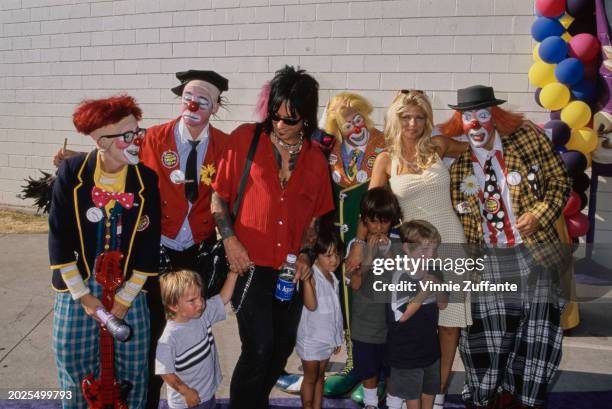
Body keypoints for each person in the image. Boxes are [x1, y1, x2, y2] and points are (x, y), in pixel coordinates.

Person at [54, 70, 231, 409]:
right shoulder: (153, 137)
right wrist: (74, 161)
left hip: (198, 250)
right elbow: (112, 155)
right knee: (148, 342)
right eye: (188, 97)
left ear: (216, 107)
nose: (192, 104)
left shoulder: (226, 145)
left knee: (193, 328)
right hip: (155, 249)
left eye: (202, 100)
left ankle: (193, 393)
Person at [211, 65, 334, 409]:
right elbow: (218, 196)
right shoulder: (244, 139)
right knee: (259, 346)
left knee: (281, 346)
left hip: (289, 270)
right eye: (275, 115)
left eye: (290, 120)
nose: (280, 124)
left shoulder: (315, 161)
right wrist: (229, 240)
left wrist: (308, 255)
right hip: (247, 264)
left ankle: (255, 401)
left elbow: (315, 218)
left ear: (306, 119)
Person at [440, 85, 571, 408]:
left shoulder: (527, 139)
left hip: (534, 251)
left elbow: (559, 181)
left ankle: (523, 397)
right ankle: (483, 397)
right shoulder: (457, 171)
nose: (475, 123)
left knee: (538, 334)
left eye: (483, 115)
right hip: (488, 260)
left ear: (496, 117)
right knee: (486, 336)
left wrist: (539, 215)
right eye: (468, 117)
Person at [346, 90, 470, 408]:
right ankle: (408, 391)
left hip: (452, 243)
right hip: (414, 252)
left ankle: (437, 396)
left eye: (419, 117)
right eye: (406, 117)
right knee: (412, 324)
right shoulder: (386, 160)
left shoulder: (438, 146)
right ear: (395, 119)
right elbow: (370, 209)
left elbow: (481, 149)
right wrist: (359, 246)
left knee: (449, 326)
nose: (413, 123)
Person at [48, 95, 161, 408]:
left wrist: (125, 299)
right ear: (100, 141)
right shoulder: (72, 173)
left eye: (138, 132)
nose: (138, 140)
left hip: (129, 287)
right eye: (128, 136)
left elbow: (149, 247)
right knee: (74, 365)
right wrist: (84, 297)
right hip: (77, 287)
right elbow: (58, 241)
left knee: (134, 369)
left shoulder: (145, 179)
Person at [347, 187, 402, 409]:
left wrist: (387, 251)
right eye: (373, 222)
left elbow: (403, 276)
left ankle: (394, 403)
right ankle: (370, 403)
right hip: (365, 324)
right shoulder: (355, 247)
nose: (379, 228)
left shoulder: (398, 245)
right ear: (364, 221)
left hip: (392, 324)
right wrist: (368, 257)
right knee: (368, 368)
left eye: (385, 222)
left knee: (393, 368)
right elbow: (356, 284)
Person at [155, 269, 238, 409]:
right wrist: (186, 392)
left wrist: (233, 274)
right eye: (192, 301)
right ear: (174, 306)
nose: (200, 303)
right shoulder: (169, 338)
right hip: (186, 402)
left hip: (208, 394)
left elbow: (223, 298)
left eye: (201, 297)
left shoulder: (202, 315)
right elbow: (165, 372)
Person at [386, 220, 445, 409]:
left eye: (433, 250)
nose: (430, 256)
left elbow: (442, 304)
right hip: (407, 354)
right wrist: (424, 291)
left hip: (430, 350)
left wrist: (440, 287)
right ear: (407, 248)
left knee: (429, 391)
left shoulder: (434, 270)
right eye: (424, 251)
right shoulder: (401, 276)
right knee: (412, 400)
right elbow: (401, 316)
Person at [295, 230, 344, 409]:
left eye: (337, 254)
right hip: (311, 339)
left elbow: (336, 311)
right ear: (316, 257)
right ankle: (307, 406)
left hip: (326, 339)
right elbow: (311, 305)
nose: (334, 260)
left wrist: (337, 337)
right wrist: (307, 282)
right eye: (328, 255)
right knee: (310, 377)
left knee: (321, 376)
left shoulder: (333, 278)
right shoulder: (313, 276)